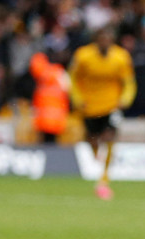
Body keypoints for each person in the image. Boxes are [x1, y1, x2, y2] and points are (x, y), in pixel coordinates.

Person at [69, 26, 136, 200]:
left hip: (112, 106)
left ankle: (104, 179)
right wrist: (77, 98)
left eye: (109, 39)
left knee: (110, 136)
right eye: (102, 38)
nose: (105, 42)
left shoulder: (121, 57)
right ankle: (97, 157)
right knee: (92, 138)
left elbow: (128, 82)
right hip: (89, 106)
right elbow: (73, 79)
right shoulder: (83, 56)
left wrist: (125, 99)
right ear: (96, 39)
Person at [29, 50, 71, 144]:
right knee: (51, 141)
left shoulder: (45, 73)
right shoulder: (60, 73)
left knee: (46, 141)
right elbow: (67, 89)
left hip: (46, 114)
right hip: (56, 115)